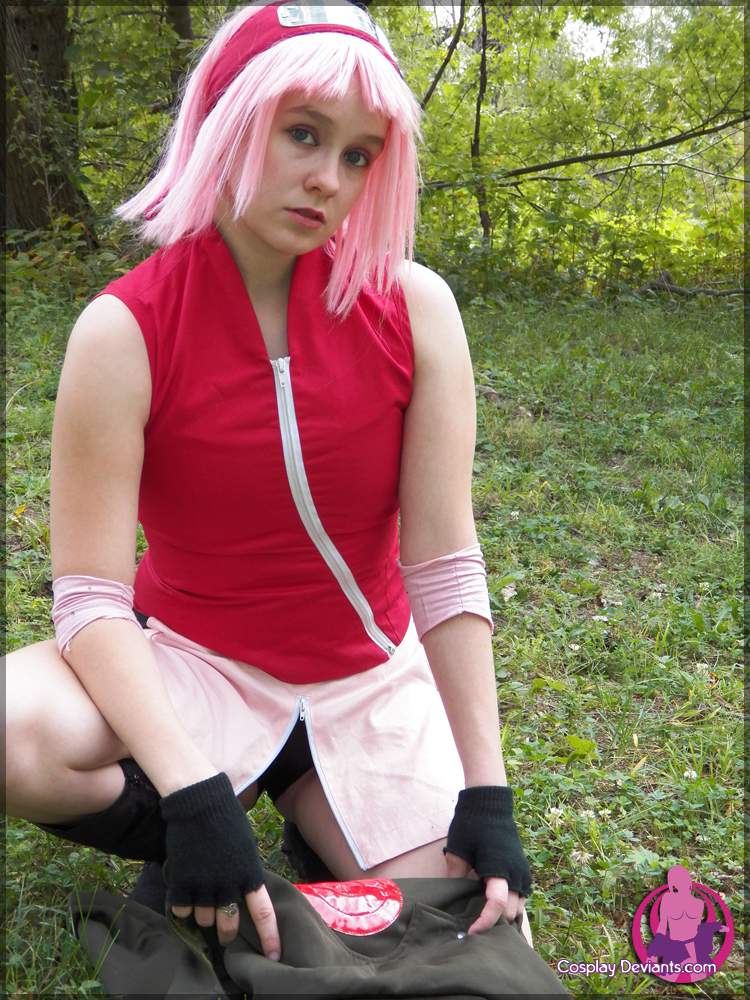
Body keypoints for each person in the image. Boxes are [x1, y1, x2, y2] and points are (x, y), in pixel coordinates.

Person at [5, 0, 533, 967]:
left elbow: (445, 563)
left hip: (365, 680)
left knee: (466, 929)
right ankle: (207, 820)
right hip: (194, 666)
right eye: (303, 134)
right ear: (229, 121)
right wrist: (193, 798)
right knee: (12, 731)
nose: (329, 177)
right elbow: (88, 600)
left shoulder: (415, 308)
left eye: (359, 154)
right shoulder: (123, 331)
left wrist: (487, 792)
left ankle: (308, 805)